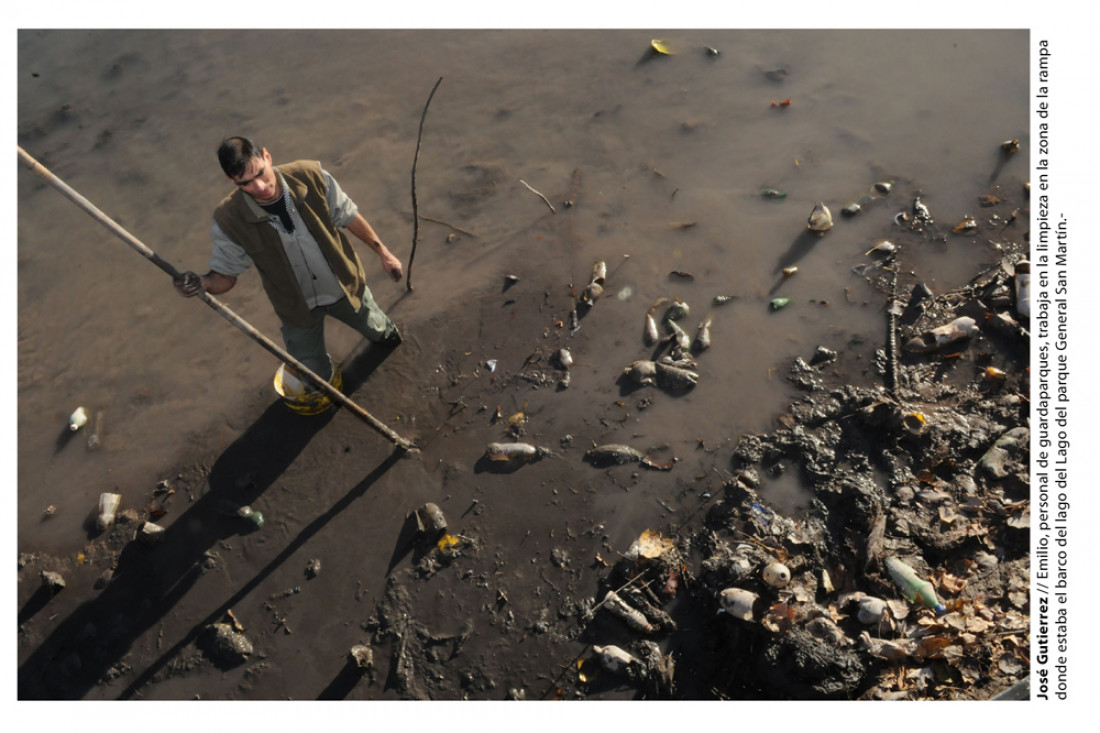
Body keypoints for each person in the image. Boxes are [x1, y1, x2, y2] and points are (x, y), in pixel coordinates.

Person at [175, 136, 404, 394]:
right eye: (246, 183)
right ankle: (327, 393)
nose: (260, 187)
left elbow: (349, 216)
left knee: (381, 331)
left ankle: (393, 349)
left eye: (260, 173)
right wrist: (201, 284)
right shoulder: (229, 220)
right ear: (232, 181)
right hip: (296, 308)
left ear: (266, 156)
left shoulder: (311, 176)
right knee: (312, 373)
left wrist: (384, 254)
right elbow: (225, 276)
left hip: (344, 286)